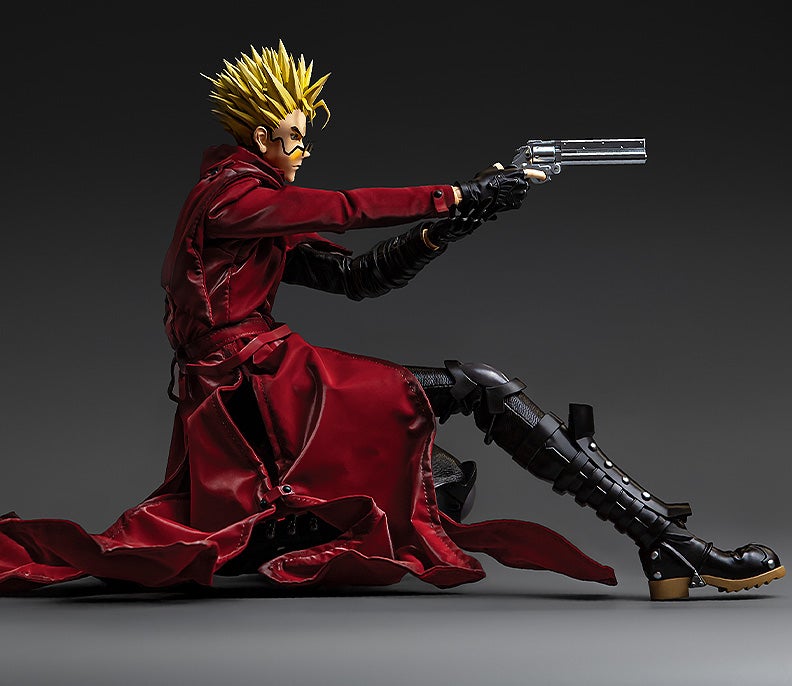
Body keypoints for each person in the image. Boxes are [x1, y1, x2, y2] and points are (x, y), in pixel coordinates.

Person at [0, 41, 784, 601]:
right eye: (294, 138)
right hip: (254, 389)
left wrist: (457, 223)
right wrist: (455, 193)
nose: (301, 152)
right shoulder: (233, 196)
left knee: (444, 462)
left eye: (302, 138)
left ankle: (663, 542)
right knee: (478, 392)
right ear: (261, 135)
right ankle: (666, 543)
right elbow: (345, 209)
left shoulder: (253, 208)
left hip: (262, 381)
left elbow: (357, 277)